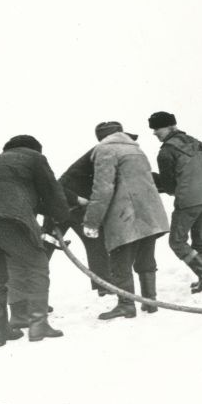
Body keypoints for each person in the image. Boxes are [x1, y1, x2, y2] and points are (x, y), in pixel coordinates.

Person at [0, 135, 70, 345]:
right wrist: (61, 216)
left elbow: (19, 198)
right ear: (35, 149)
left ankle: (0, 332)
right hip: (9, 220)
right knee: (38, 264)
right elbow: (52, 192)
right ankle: (38, 326)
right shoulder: (34, 157)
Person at [83, 122, 170, 320]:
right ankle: (150, 301)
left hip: (124, 214)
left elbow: (103, 189)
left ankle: (126, 304)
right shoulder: (135, 149)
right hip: (150, 212)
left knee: (120, 260)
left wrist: (91, 221)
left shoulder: (105, 149)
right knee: (145, 256)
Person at [150, 111, 202, 296]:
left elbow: (169, 185)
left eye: (157, 128)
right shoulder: (196, 142)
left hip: (188, 201)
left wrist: (154, 181)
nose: (154, 132)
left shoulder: (166, 151)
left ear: (169, 127)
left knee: (177, 241)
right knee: (200, 239)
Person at [41, 145, 114, 297]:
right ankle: (34, 296)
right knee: (44, 249)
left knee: (96, 240)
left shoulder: (105, 158)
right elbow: (57, 187)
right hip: (59, 209)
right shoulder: (96, 157)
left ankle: (103, 284)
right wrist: (76, 199)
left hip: (78, 211)